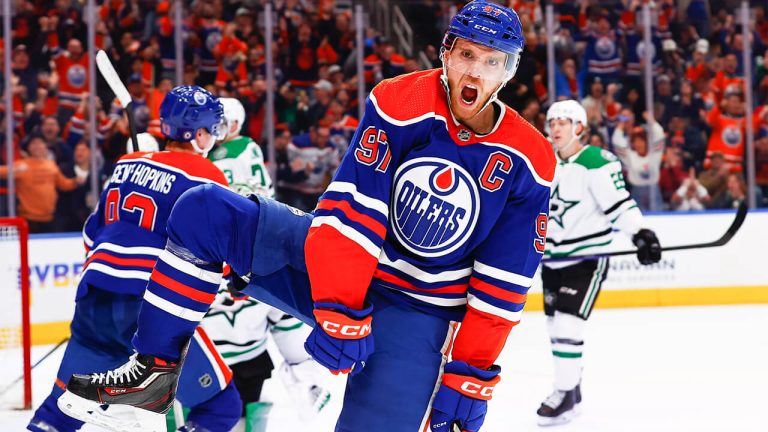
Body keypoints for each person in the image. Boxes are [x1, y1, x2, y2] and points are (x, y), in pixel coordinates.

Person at [58, 3, 555, 432]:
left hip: (420, 314)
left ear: (507, 72)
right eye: (467, 54)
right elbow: (355, 208)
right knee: (204, 211)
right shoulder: (400, 100)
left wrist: (470, 369)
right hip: (341, 268)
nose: (475, 72)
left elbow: (505, 278)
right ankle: (153, 378)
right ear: (446, 52)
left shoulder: (531, 158)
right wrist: (340, 304)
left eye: (491, 61)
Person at [30, 86, 243, 432]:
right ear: (200, 133)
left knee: (61, 411)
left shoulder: (127, 163)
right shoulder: (208, 176)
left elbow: (91, 234)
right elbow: (223, 249)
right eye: (212, 130)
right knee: (220, 408)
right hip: (154, 310)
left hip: (94, 302)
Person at [201, 97, 330, 430]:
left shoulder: (226, 156)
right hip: (205, 360)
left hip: (237, 353)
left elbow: (285, 319)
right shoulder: (250, 151)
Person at [538, 99, 661, 426]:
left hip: (585, 259)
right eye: (552, 122)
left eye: (563, 122)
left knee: (567, 324)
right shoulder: (544, 162)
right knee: (555, 328)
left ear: (579, 127)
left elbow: (620, 205)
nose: (555, 128)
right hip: (550, 260)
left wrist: (641, 233)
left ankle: (564, 393)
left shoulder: (596, 161)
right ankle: (572, 392)